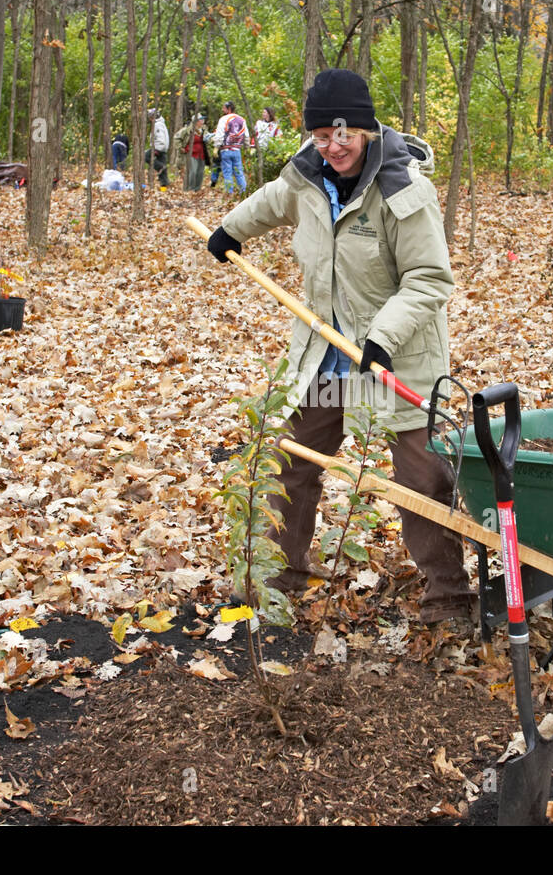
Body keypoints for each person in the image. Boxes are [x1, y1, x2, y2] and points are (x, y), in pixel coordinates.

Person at [205, 69, 473, 624]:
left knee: (422, 478)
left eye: (344, 134)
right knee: (291, 462)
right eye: (322, 136)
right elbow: (274, 200)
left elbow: (429, 278)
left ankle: (449, 596)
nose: (334, 147)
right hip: (324, 357)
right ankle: (276, 578)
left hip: (393, 356)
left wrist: (382, 336)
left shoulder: (403, 190)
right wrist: (230, 230)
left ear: (368, 129)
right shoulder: (307, 177)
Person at [214, 101, 249, 195]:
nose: (222, 110)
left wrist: (216, 147)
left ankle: (229, 193)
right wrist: (247, 147)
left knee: (227, 173)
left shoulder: (223, 119)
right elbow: (246, 135)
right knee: (239, 172)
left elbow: (219, 134)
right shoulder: (242, 119)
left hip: (225, 150)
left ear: (229, 109)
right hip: (237, 150)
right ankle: (244, 191)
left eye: (224, 108)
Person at [176, 114, 210, 191]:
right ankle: (189, 189)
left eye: (203, 120)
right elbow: (177, 138)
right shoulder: (187, 130)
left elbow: (208, 138)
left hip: (201, 154)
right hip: (191, 154)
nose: (202, 121)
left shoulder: (204, 129)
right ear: (196, 121)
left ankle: (197, 189)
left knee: (200, 172)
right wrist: (180, 148)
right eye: (201, 120)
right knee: (193, 172)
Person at [144, 108, 170, 189]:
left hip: (159, 147)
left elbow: (160, 137)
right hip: (163, 148)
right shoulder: (161, 124)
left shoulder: (158, 125)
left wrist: (157, 148)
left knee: (145, 156)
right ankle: (164, 189)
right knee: (163, 173)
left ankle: (160, 166)